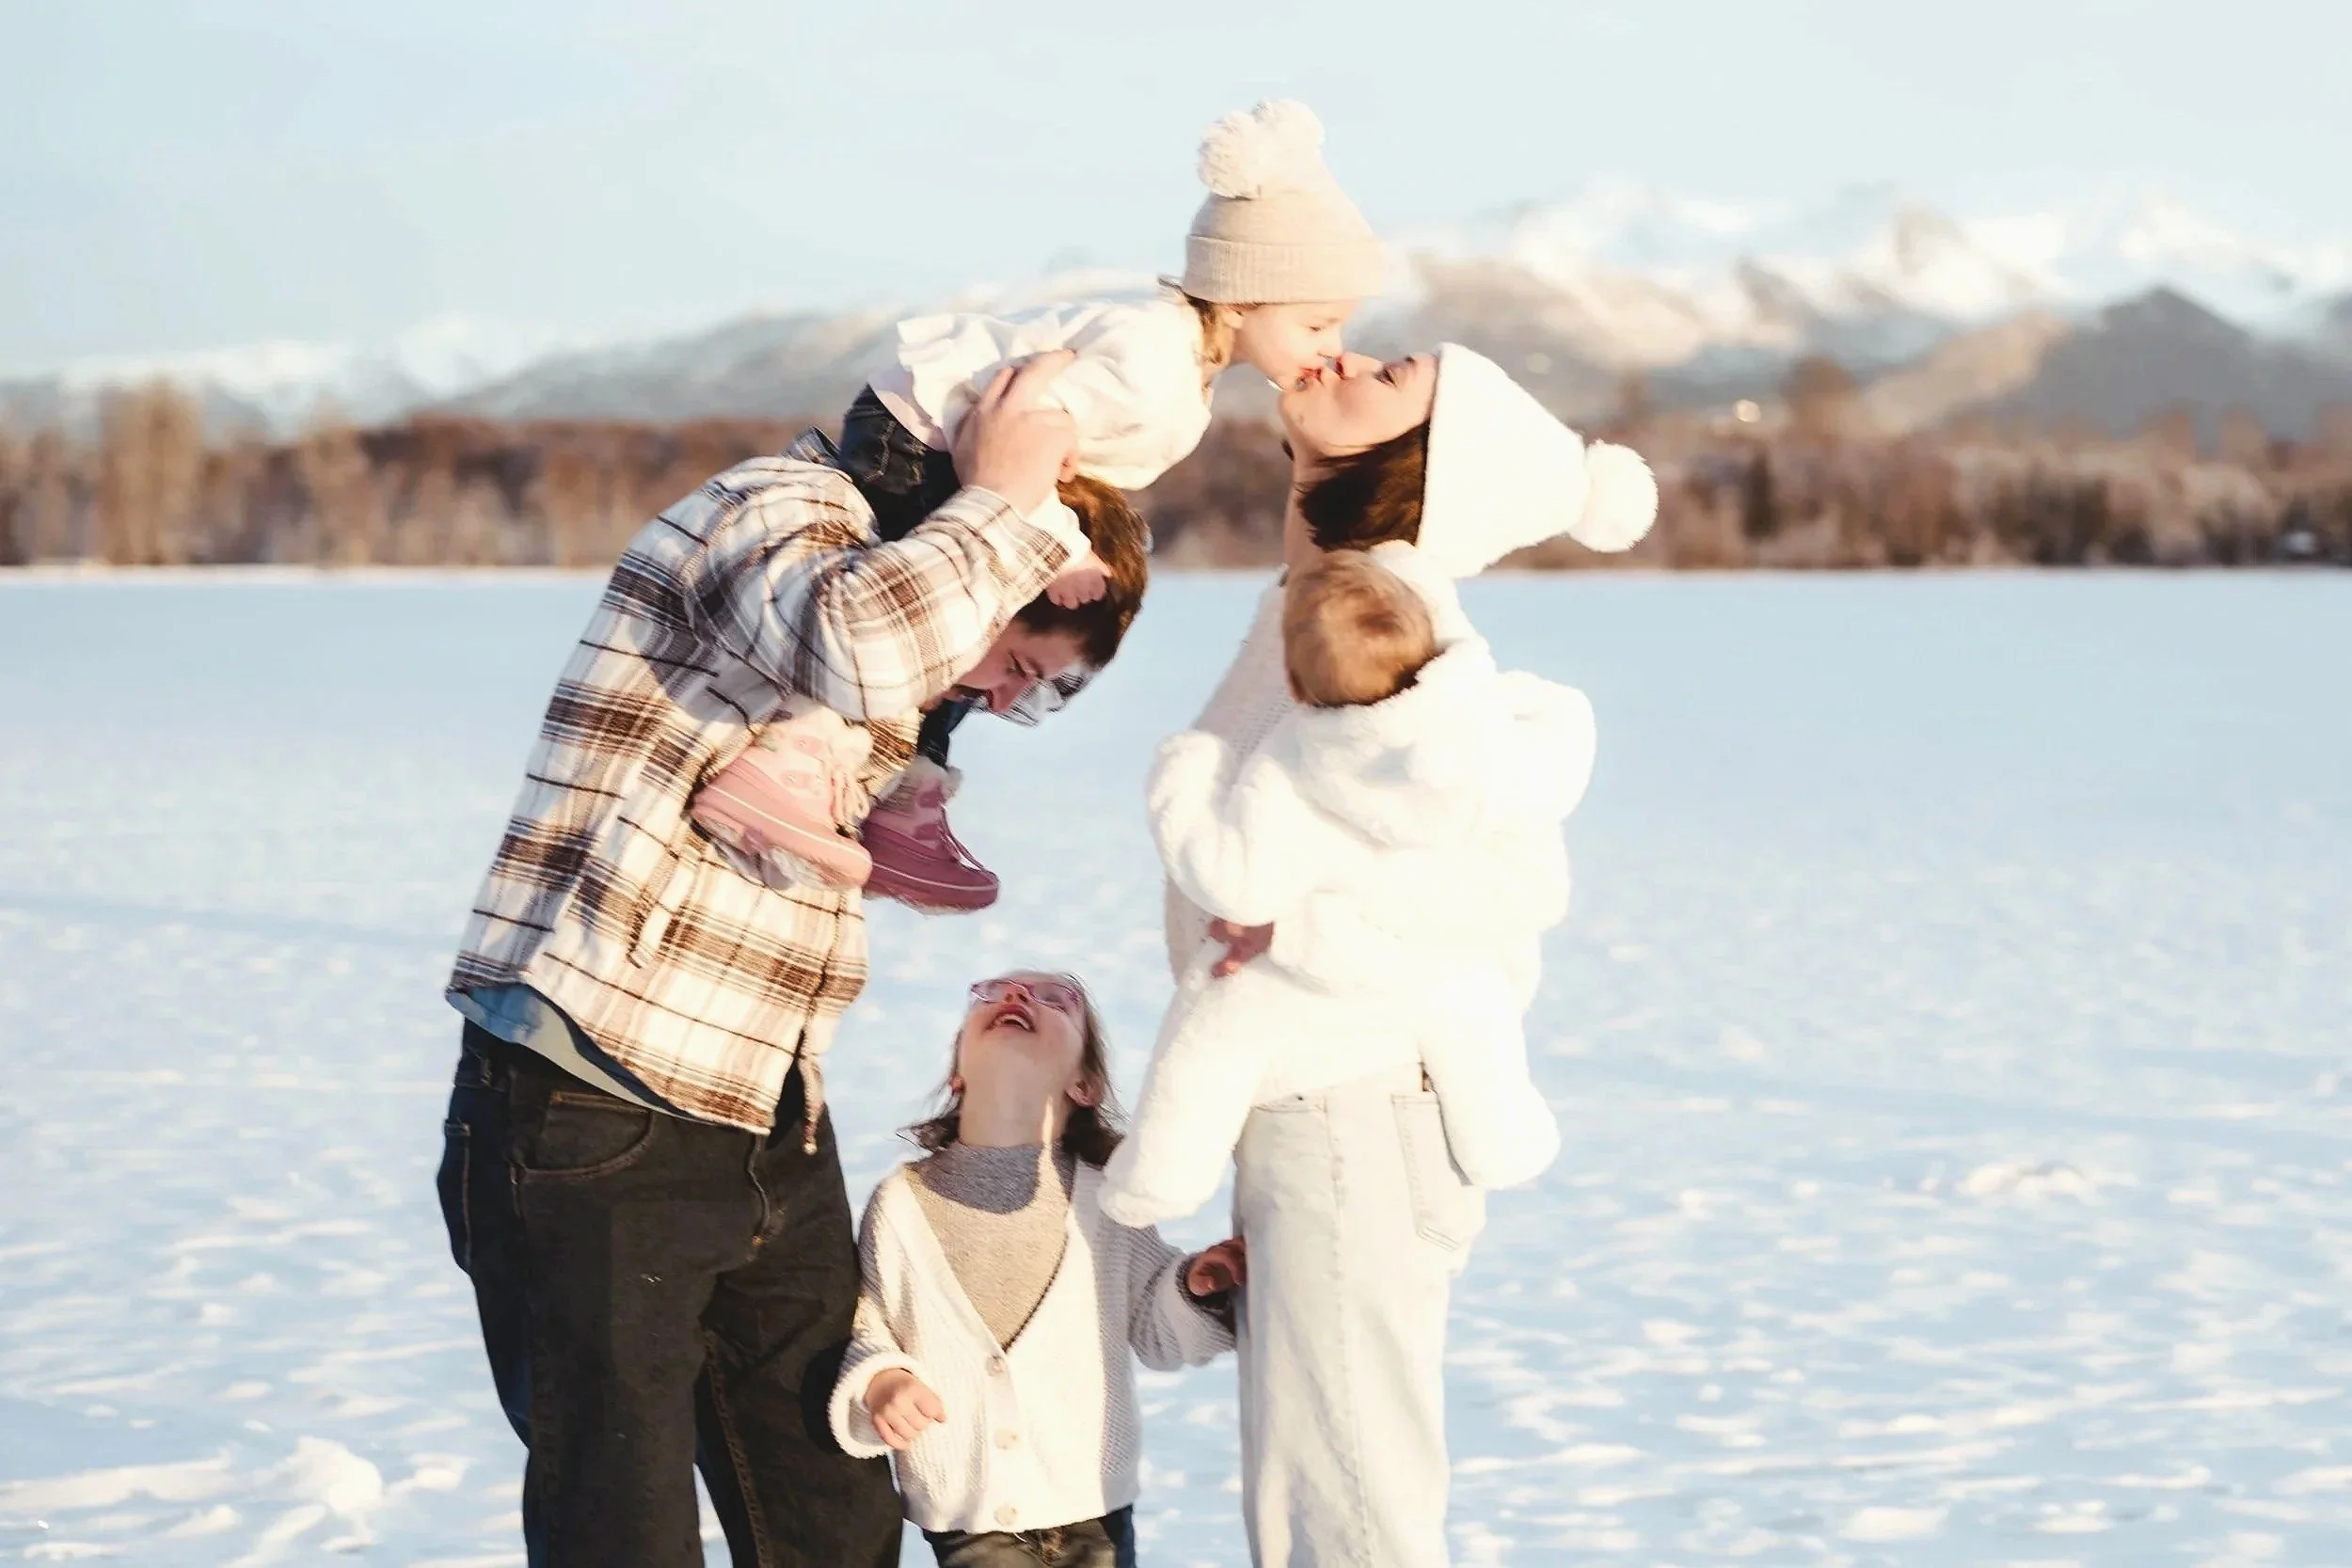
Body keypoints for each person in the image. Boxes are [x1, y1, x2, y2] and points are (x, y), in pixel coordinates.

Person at [434, 355, 1149, 1568]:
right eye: (1015, 664)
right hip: (589, 1097)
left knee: (831, 1518)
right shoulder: (780, 515)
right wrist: (1011, 494)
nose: (988, 691)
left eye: (1031, 692)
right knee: (626, 1524)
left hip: (764, 1118)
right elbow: (856, 641)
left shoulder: (909, 617)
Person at [1158, 343, 1658, 1567]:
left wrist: (1304, 927)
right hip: (1323, 1100)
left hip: (1355, 1107)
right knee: (1321, 1485)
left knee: (1348, 1498)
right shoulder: (1330, 592)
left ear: (1420, 468)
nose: (1346, 352)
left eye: (1390, 372)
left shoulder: (1401, 629)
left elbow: (1511, 883)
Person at [688, 98, 1387, 911]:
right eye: (1318, 323)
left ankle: (897, 794)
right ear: (1241, 297)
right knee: (933, 626)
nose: (1331, 346)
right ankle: (784, 773)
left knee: (967, 633)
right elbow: (1025, 431)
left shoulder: (1181, 368)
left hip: (941, 443)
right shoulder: (1154, 362)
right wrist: (1055, 543)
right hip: (917, 437)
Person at [1099, 549, 1596, 1229]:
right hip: (1452, 965)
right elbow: (1562, 736)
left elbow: (1237, 882)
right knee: (1476, 1015)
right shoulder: (1485, 727)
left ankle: (1159, 1176)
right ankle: (1506, 1140)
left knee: (1216, 1017)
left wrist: (1188, 774)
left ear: (1297, 688)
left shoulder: (1294, 760)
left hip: (1319, 976)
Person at [831, 972, 1245, 1568]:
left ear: (1085, 1084)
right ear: (957, 1073)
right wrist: (882, 1382)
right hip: (970, 1519)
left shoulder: (1108, 1201)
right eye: (993, 992)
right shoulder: (900, 1203)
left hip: (1091, 1508)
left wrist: (1195, 1287)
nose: (1017, 997)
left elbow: (1158, 1326)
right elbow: (868, 1324)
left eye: (1056, 1000)